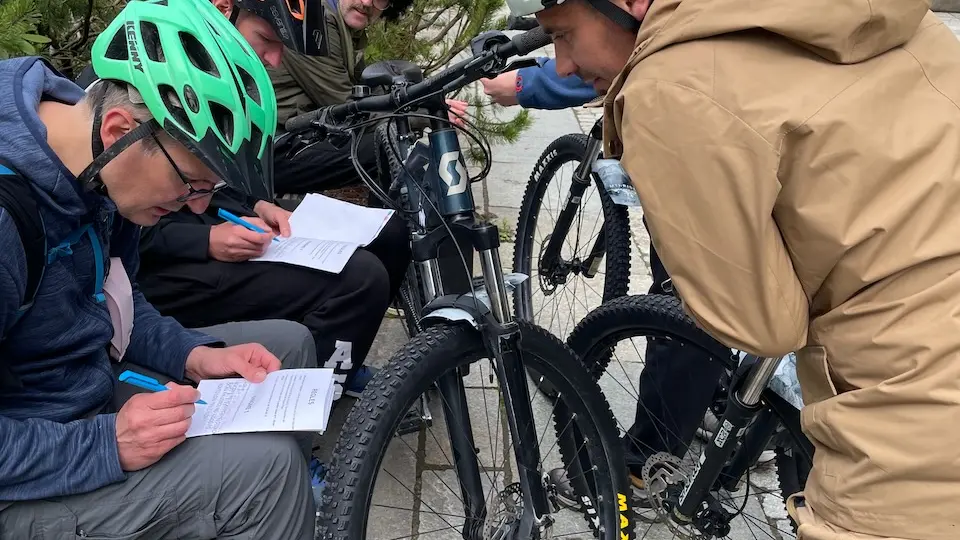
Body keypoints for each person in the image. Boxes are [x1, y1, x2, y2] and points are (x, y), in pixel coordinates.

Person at [510, 0, 960, 538]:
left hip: (916, 405)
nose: (561, 64)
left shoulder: (669, 88)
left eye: (563, 33)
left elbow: (765, 325)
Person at [0, 0, 318, 537]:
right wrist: (106, 444)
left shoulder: (100, 174)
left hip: (81, 394)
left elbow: (116, 304)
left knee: (289, 350)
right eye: (192, 183)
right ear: (119, 129)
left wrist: (192, 356)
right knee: (267, 475)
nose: (198, 207)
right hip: (30, 467)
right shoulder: (10, 219)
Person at [73, 0, 409, 402]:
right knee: (359, 279)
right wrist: (206, 241)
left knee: (387, 233)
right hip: (164, 260)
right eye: (265, 39)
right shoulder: (131, 89)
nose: (273, 60)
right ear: (222, 10)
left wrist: (253, 203)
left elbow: (201, 174)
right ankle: (312, 401)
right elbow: (121, 222)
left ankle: (334, 369)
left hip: (191, 229)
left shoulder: (200, 74)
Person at [483, 48, 730, 503]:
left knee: (686, 297)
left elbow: (627, 52)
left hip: (708, 149)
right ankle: (722, 404)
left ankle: (642, 470)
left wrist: (526, 85)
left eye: (563, 33)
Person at [267, 0, 469, 195]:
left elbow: (364, 93)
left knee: (394, 137)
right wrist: (424, 115)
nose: (366, 3)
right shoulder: (310, 22)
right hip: (269, 151)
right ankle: (398, 225)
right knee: (385, 143)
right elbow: (347, 109)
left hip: (294, 140)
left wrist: (425, 102)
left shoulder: (342, 23)